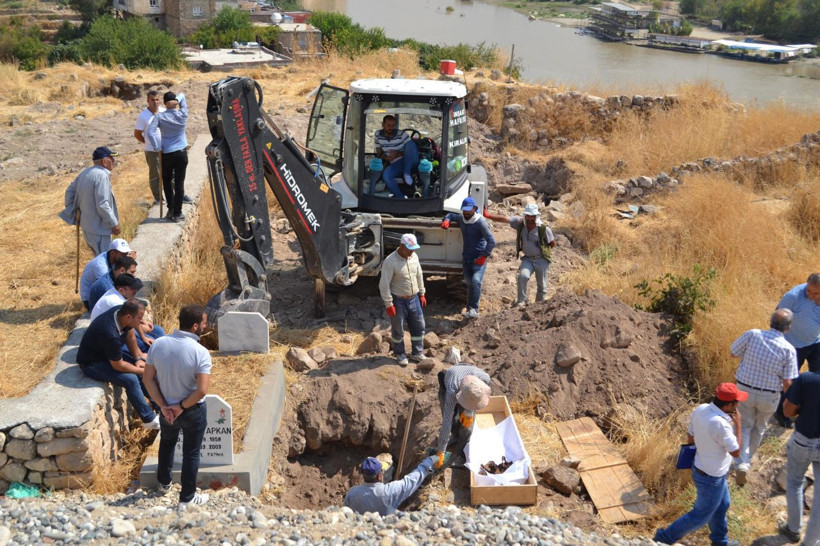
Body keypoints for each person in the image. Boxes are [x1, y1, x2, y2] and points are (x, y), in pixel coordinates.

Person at [653, 383, 745, 546]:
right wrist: (738, 425)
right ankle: (663, 538)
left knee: (722, 505)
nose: (738, 405)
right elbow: (736, 452)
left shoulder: (701, 409)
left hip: (704, 469)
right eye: (737, 402)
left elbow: (691, 436)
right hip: (711, 477)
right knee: (700, 516)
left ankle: (720, 542)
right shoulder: (720, 424)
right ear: (729, 405)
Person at [143, 304, 212, 507]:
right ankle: (187, 498)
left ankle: (164, 484)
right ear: (195, 326)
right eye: (204, 323)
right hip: (191, 410)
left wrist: (163, 406)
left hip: (166, 408)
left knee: (167, 443)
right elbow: (201, 390)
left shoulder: (158, 344)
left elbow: (148, 379)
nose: (205, 326)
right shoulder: (200, 352)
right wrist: (180, 407)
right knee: (191, 453)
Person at [731, 309, 798, 486]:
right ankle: (746, 460)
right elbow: (787, 381)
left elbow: (733, 352)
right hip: (769, 396)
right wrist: (789, 400)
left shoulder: (752, 334)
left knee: (743, 425)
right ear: (788, 328)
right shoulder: (789, 350)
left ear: (770, 321)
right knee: (759, 428)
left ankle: (741, 463)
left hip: (744, 390)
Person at [76, 299, 159, 429]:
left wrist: (137, 358)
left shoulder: (121, 312)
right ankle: (149, 419)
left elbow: (130, 334)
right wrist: (145, 371)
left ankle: (160, 407)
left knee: (138, 368)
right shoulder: (110, 333)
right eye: (139, 318)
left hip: (107, 354)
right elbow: (118, 365)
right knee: (131, 379)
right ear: (129, 317)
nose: (141, 321)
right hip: (92, 363)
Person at [485, 203, 555, 307]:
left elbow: (552, 243)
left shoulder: (543, 229)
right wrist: (488, 215)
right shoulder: (520, 224)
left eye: (532, 216)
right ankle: (521, 302)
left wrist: (540, 251)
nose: (530, 219)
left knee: (542, 285)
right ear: (525, 215)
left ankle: (539, 307)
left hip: (541, 260)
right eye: (528, 216)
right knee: (523, 276)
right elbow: (505, 219)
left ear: (536, 216)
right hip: (527, 259)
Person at [774, 273, 820, 427]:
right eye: (808, 290)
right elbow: (778, 316)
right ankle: (782, 413)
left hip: (816, 343)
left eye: (815, 293)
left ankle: (810, 410)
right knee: (789, 381)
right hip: (793, 345)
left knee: (817, 379)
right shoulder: (793, 297)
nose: (810, 295)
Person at [59, 146, 121, 254]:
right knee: (104, 259)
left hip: (87, 227)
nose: (114, 160)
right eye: (111, 158)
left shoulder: (85, 172)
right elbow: (102, 205)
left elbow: (69, 191)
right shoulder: (101, 176)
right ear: (104, 162)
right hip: (99, 229)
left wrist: (73, 211)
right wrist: (114, 224)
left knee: (98, 257)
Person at [782, 369, 820, 544]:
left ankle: (793, 529)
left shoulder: (807, 379)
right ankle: (810, 542)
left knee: (794, 482)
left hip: (804, 440)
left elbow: (787, 411)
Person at [441, 197, 496, 318]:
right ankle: (470, 309)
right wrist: (447, 220)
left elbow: (492, 241)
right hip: (466, 258)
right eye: (464, 210)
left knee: (476, 281)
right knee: (470, 284)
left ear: (475, 209)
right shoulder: (462, 218)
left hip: (479, 259)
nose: (466, 212)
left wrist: (484, 256)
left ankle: (474, 309)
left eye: (468, 210)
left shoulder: (480, 222)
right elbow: (451, 215)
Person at [378, 233, 427, 366]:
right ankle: (400, 353)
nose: (412, 251)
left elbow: (419, 275)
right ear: (401, 246)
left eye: (414, 249)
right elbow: (384, 285)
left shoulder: (414, 257)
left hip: (414, 298)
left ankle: (417, 353)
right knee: (398, 329)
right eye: (409, 249)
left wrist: (422, 293)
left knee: (419, 326)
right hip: (398, 301)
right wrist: (389, 304)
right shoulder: (390, 261)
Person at [435, 364, 492, 469]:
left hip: (466, 388)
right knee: (452, 418)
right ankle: (455, 436)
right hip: (448, 385)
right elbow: (447, 422)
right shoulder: (451, 391)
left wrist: (468, 411)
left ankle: (460, 453)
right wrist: (441, 451)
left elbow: (475, 395)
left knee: (467, 427)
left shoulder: (484, 379)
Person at [343, 454, 437, 516]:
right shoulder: (388, 491)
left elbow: (345, 513)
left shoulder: (352, 492)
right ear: (379, 476)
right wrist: (429, 461)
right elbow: (412, 480)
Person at [147, 91, 190, 222]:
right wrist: (177, 100)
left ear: (165, 104)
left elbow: (150, 132)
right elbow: (182, 95)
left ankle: (170, 209)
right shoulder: (183, 113)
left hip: (167, 153)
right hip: (181, 153)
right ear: (175, 102)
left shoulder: (160, 117)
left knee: (166, 181)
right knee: (179, 183)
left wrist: (157, 147)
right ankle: (177, 213)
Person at [371, 115, 419, 199]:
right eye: (388, 125)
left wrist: (398, 154)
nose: (391, 128)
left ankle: (406, 172)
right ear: (383, 125)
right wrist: (386, 158)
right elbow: (379, 153)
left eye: (393, 125)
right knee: (386, 176)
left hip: (410, 160)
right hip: (396, 164)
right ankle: (401, 199)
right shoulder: (378, 135)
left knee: (410, 143)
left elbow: (410, 151)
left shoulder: (401, 134)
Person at [78, 238, 134, 310]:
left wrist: (130, 261)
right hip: (91, 300)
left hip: (103, 292)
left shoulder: (113, 258)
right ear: (113, 253)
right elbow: (107, 288)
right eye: (123, 254)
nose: (125, 257)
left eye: (126, 254)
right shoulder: (101, 265)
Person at [134, 90, 164, 204]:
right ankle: (158, 198)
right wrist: (147, 143)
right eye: (152, 100)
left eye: (157, 100)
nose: (155, 102)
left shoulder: (164, 112)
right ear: (148, 101)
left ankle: (172, 195)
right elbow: (137, 134)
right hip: (152, 151)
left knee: (169, 172)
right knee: (155, 174)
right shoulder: (143, 116)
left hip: (166, 149)